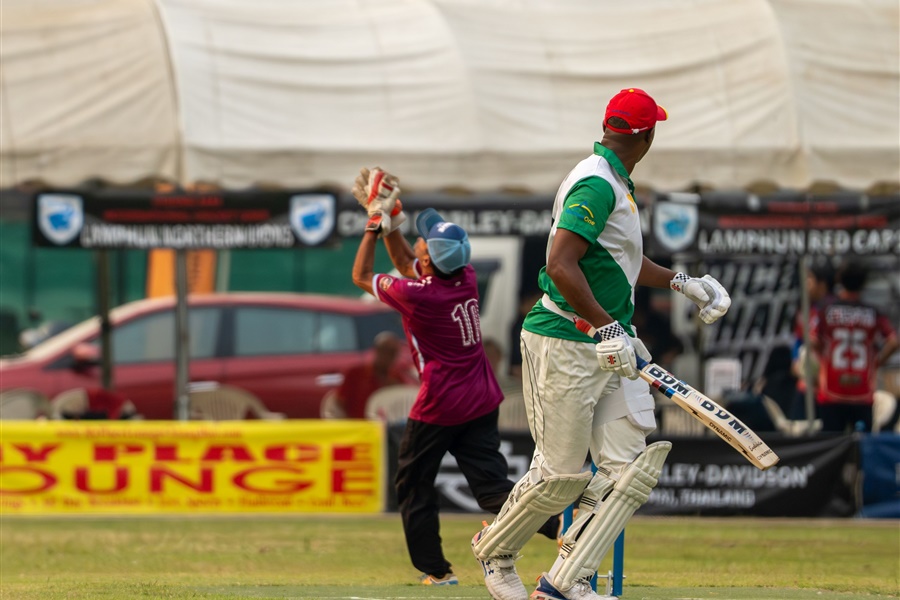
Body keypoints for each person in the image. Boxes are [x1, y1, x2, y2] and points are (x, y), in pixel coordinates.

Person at [470, 88, 732, 600]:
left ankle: (564, 582)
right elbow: (559, 265)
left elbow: (621, 265)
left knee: (628, 473)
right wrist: (605, 326)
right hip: (565, 340)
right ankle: (495, 551)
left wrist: (684, 283)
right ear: (648, 135)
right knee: (562, 477)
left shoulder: (615, 179)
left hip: (611, 343)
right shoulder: (595, 183)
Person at [349, 168, 558, 587]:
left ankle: (437, 571)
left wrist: (374, 224)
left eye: (424, 241)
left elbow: (361, 275)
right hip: (481, 396)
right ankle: (565, 530)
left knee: (412, 483)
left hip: (442, 403)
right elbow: (409, 262)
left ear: (429, 259)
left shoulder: (420, 296)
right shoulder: (464, 277)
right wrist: (395, 223)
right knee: (493, 489)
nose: (419, 242)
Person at [810, 261, 898, 433]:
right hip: (862, 391)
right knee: (862, 448)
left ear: (839, 280)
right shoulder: (873, 313)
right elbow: (894, 341)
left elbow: (813, 340)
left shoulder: (826, 311)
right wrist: (877, 361)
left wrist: (824, 359)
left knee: (831, 445)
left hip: (831, 390)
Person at [326, 331, 416, 419]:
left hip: (382, 428)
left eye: (392, 353)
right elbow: (338, 403)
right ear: (376, 350)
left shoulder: (396, 377)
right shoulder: (355, 373)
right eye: (384, 350)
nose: (387, 356)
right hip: (357, 425)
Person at [789, 260, 835, 420]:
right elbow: (799, 340)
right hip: (806, 383)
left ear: (822, 283)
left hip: (828, 385)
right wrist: (796, 360)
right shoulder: (804, 309)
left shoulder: (832, 310)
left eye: (809, 278)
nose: (805, 283)